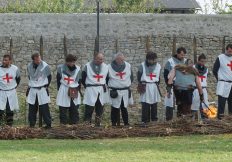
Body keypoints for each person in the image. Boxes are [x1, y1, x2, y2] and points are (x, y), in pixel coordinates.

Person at [82, 52, 109, 127]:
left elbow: (107, 78)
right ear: (95, 58)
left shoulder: (106, 67)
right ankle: (87, 125)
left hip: (101, 89)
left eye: (102, 59)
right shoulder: (87, 66)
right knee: (89, 108)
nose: (101, 60)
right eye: (99, 59)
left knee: (100, 108)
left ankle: (98, 125)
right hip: (91, 89)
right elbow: (83, 78)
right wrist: (88, 86)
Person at [107, 52, 133, 126]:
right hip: (115, 91)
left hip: (125, 91)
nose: (122, 61)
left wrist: (124, 85)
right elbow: (106, 79)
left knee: (124, 108)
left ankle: (126, 123)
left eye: (123, 60)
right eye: (121, 60)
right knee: (114, 108)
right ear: (116, 59)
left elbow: (131, 78)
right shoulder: (109, 67)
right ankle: (113, 124)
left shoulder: (128, 65)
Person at [27, 53, 52, 128]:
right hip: (33, 90)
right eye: (37, 59)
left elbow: (49, 77)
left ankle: (48, 125)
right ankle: (32, 125)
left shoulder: (45, 66)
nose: (39, 60)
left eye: (39, 58)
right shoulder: (29, 66)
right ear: (33, 60)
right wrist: (33, 84)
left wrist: (45, 86)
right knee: (32, 109)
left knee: (44, 108)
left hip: (42, 89)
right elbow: (30, 77)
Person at [56, 54, 82, 125]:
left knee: (74, 109)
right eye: (70, 62)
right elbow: (58, 80)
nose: (71, 63)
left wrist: (77, 90)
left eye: (73, 62)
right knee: (63, 108)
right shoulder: (60, 68)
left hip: (74, 89)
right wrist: (60, 90)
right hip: (64, 89)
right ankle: (63, 125)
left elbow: (79, 81)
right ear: (66, 62)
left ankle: (74, 125)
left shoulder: (78, 69)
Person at [137, 51, 162, 124]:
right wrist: (142, 84)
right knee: (145, 104)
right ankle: (145, 121)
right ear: (148, 59)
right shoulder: (142, 65)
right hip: (146, 86)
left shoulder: (158, 66)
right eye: (152, 59)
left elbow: (158, 77)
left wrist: (155, 83)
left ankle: (154, 120)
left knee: (154, 104)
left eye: (154, 59)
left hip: (154, 86)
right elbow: (139, 76)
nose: (153, 61)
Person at [163, 47, 187, 121]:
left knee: (182, 103)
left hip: (182, 86)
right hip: (172, 85)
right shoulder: (170, 62)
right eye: (181, 54)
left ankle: (180, 120)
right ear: (177, 53)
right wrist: (169, 85)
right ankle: (169, 120)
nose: (183, 56)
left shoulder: (186, 61)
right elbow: (166, 74)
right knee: (169, 103)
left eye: (184, 55)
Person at [0, 54, 20, 126]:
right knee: (0, 110)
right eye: (3, 60)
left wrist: (13, 87)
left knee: (10, 110)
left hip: (11, 92)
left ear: (10, 61)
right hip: (1, 91)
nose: (4, 61)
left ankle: (9, 127)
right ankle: (1, 126)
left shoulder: (15, 69)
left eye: (6, 60)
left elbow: (18, 79)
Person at [213, 44, 232, 119]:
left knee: (231, 103)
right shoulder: (220, 57)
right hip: (223, 83)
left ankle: (230, 119)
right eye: (229, 51)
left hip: (231, 84)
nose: (230, 53)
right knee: (222, 103)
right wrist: (220, 80)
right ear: (226, 50)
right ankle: (220, 119)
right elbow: (215, 70)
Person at [191, 54, 209, 120]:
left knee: (205, 105)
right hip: (195, 89)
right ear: (198, 61)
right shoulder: (193, 68)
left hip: (203, 89)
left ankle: (205, 120)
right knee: (194, 105)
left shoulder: (206, 69)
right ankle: (192, 121)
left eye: (204, 62)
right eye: (201, 61)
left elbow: (205, 79)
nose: (202, 63)